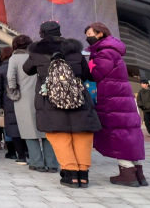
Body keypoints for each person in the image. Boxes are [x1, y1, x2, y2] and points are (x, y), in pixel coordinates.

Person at [23, 21, 101, 188]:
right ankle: (83, 174)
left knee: (59, 135)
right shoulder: (74, 49)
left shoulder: (37, 51)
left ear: (42, 33)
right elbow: (86, 74)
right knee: (82, 134)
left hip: (51, 99)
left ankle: (70, 173)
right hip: (78, 97)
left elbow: (27, 69)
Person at [85, 22, 147, 187]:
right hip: (120, 99)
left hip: (112, 100)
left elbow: (97, 73)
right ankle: (138, 173)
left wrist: (88, 65)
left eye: (89, 33)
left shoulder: (105, 52)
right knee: (127, 134)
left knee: (118, 134)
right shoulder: (112, 51)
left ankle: (127, 173)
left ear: (100, 34)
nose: (87, 37)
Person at [7, 34, 58, 172]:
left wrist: (13, 92)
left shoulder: (15, 58)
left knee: (28, 130)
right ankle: (52, 163)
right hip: (43, 94)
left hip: (23, 97)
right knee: (47, 130)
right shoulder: (40, 55)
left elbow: (11, 77)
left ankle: (37, 162)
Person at [0, 47, 25, 162]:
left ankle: (16, 153)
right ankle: (27, 151)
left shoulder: (1, 69)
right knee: (24, 126)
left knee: (12, 127)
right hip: (23, 99)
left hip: (8, 102)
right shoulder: (22, 66)